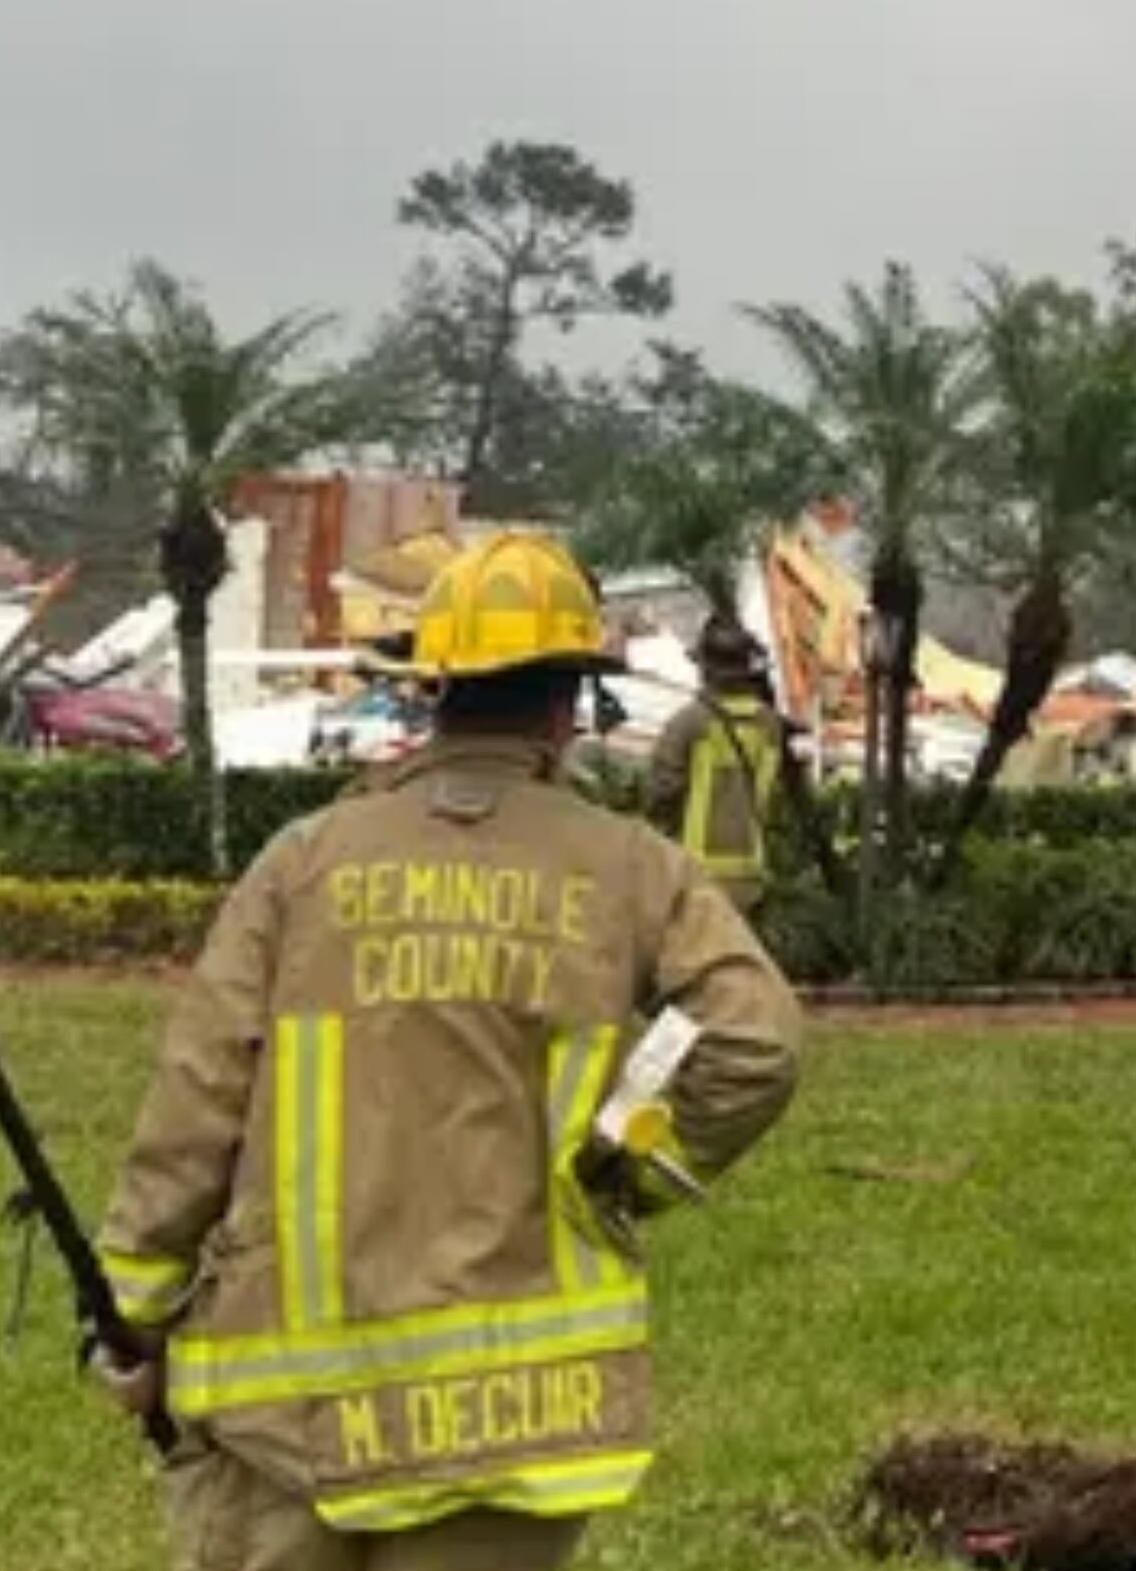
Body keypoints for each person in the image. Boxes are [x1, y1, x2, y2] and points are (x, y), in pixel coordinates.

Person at [91, 530, 803, 1571]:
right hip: (517, 1421)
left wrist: (134, 1309)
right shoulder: (631, 870)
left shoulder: (304, 863)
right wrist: (628, 1159)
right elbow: (753, 1037)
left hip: (290, 1425)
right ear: (567, 707)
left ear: (432, 691)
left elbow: (198, 1100)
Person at [643, 618, 784, 914]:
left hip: (696, 874)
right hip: (751, 873)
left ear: (705, 669)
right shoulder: (770, 725)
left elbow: (660, 793)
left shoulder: (689, 723)